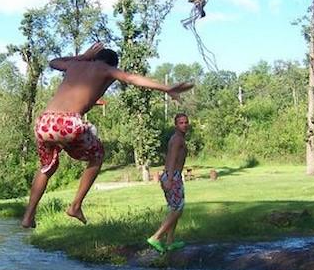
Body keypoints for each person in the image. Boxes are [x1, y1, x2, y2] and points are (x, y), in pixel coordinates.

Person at [20, 43, 194, 228]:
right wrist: (166, 88)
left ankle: (28, 216)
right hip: (67, 123)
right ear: (111, 64)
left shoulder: (75, 64)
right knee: (97, 156)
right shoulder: (106, 69)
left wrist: (83, 56)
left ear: (94, 57)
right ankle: (75, 206)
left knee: (47, 167)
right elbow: (131, 78)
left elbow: (53, 62)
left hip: (44, 122)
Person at [147, 113, 190, 253]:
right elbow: (171, 159)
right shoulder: (177, 139)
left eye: (186, 122)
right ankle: (156, 237)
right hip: (173, 176)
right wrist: (170, 179)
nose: (184, 125)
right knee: (177, 209)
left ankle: (170, 241)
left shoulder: (178, 138)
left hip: (172, 175)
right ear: (176, 125)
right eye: (181, 123)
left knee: (175, 208)